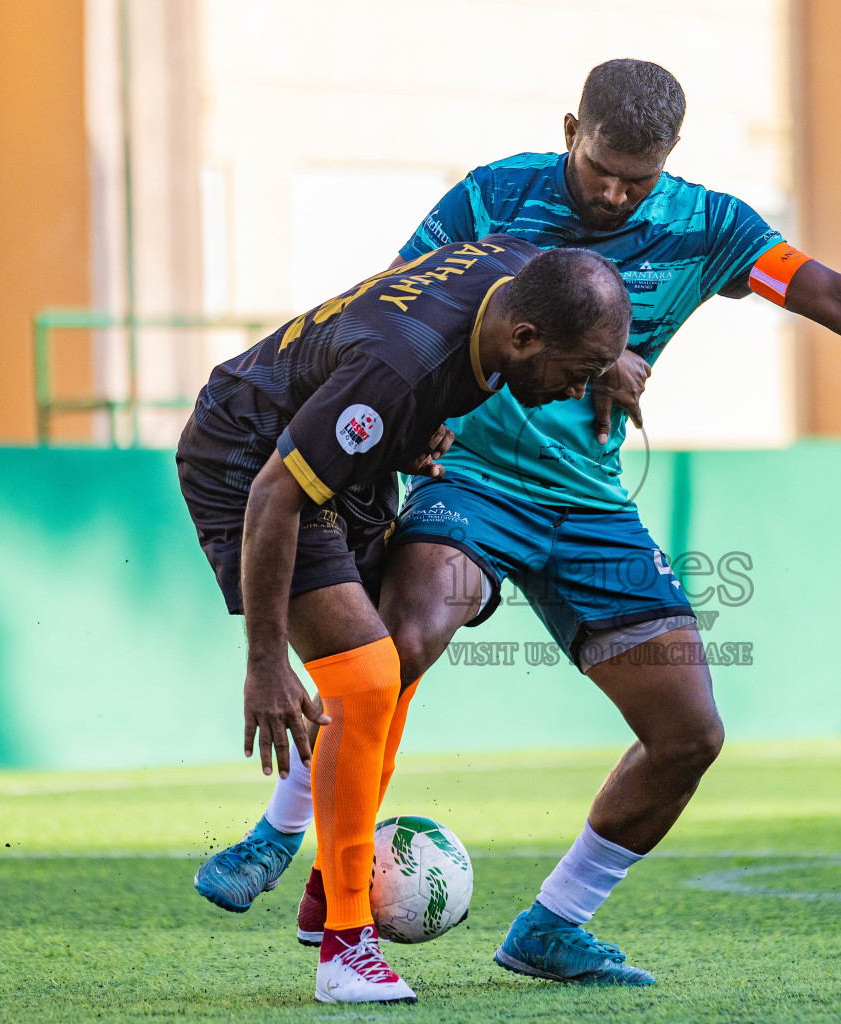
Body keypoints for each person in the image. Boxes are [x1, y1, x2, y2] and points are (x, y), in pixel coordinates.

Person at [196, 58, 841, 987]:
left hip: (591, 499)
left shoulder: (714, 227)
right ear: (572, 129)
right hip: (469, 475)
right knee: (401, 639)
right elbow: (404, 312)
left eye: (637, 176)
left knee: (691, 732)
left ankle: (555, 923)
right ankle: (288, 835)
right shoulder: (492, 197)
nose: (613, 189)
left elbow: (830, 295)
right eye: (600, 164)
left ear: (671, 159)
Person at [176, 237, 630, 1003]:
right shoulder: (397, 372)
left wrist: (408, 429)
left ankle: (326, 899)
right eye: (579, 372)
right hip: (248, 460)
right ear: (523, 338)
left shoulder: (516, 278)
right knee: (364, 671)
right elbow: (274, 497)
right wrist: (263, 665)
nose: (580, 389)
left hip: (335, 453)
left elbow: (404, 301)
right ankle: (345, 950)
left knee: (393, 666)